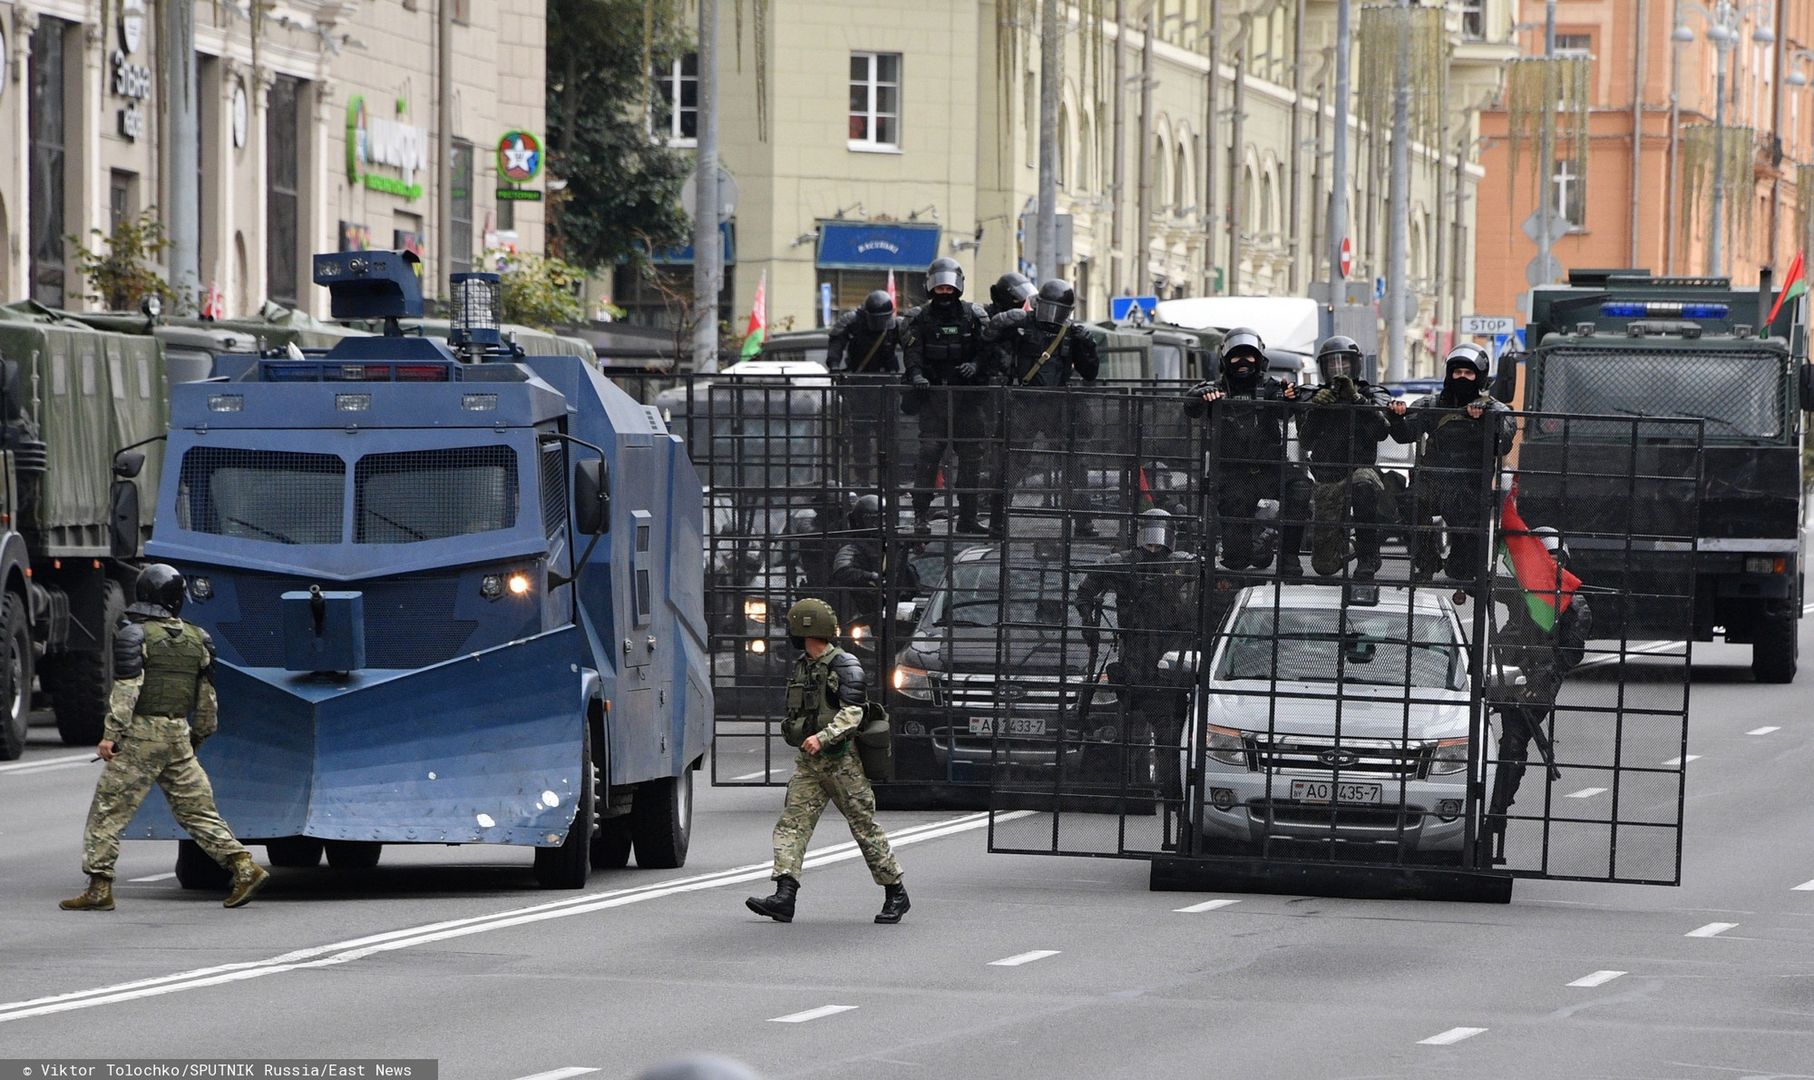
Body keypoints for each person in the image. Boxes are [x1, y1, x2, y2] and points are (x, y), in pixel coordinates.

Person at [61, 565, 269, 911]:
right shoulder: (198, 639)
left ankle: (99, 887)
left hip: (142, 736)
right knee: (198, 811)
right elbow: (206, 699)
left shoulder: (135, 635)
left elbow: (128, 689)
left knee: (108, 811)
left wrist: (111, 735)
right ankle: (243, 866)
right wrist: (197, 737)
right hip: (178, 735)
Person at [746, 598, 908, 924]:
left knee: (864, 828)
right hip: (810, 763)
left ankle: (896, 892)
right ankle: (785, 895)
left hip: (841, 762)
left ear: (806, 630)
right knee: (792, 824)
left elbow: (853, 712)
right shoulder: (804, 665)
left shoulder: (845, 665)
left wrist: (823, 737)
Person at [1075, 508, 1198, 796]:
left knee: (1168, 732)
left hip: (1168, 660)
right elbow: (1086, 590)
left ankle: (1171, 792)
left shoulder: (1179, 565)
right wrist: (1088, 621)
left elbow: (1204, 590)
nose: (1154, 547)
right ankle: (1126, 786)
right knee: (1127, 730)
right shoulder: (1124, 563)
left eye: (1159, 540)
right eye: (1149, 540)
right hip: (1134, 656)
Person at [1486, 528, 1592, 863]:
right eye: (1545, 559)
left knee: (1514, 742)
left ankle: (1498, 808)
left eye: (1556, 559)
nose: (1551, 565)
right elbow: (1491, 585)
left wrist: (1541, 679)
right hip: (1506, 669)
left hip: (1539, 683)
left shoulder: (1574, 603)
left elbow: (1571, 652)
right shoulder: (1524, 588)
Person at [1183, 327, 1312, 575]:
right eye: (1235, 357)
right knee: (1237, 561)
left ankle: (1288, 557)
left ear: (1260, 359)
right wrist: (1202, 395)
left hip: (1270, 468)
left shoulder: (1270, 387)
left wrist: (1290, 397)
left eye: (1249, 356)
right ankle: (1259, 543)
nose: (1242, 363)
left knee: (1299, 488)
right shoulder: (1217, 389)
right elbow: (1190, 406)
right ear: (1225, 360)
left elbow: (1290, 404)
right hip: (1234, 475)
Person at [983, 278, 1102, 536]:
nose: (1052, 315)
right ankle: (997, 521)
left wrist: (1088, 345)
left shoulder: (1070, 334)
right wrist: (1005, 319)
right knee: (1012, 461)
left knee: (1073, 463)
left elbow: (1090, 373)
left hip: (1055, 404)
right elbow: (988, 340)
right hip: (1024, 402)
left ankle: (1083, 522)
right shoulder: (1022, 325)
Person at [1388, 342, 1514, 582]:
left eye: (1469, 373)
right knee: (1410, 502)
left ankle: (1460, 565)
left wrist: (1482, 421)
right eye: (1457, 372)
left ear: (1480, 377)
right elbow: (1403, 434)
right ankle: (1426, 558)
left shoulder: (1494, 408)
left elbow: (1504, 443)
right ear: (1449, 374)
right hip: (1433, 481)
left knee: (1462, 572)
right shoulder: (1432, 404)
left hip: (1469, 488)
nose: (1462, 378)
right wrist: (1395, 418)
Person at [1297, 335, 1406, 579]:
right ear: (1323, 369)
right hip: (1327, 480)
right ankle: (1355, 547)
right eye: (1332, 365)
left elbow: (1381, 430)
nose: (1338, 370)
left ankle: (1368, 557)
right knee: (1324, 566)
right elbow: (1305, 441)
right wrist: (1316, 410)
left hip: (1362, 470)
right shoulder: (1316, 396)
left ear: (1355, 365)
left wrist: (1356, 399)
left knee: (1363, 483)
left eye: (1344, 364)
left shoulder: (1373, 392)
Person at [902, 258, 993, 535]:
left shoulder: (974, 316)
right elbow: (912, 351)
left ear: (958, 287)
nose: (944, 293)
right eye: (939, 288)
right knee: (929, 455)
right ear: (931, 288)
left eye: (948, 288)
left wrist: (976, 366)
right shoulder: (919, 318)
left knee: (971, 459)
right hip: (934, 398)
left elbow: (988, 350)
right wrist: (916, 375)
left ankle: (967, 518)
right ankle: (920, 517)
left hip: (967, 399)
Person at [827, 291, 906, 487]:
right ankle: (863, 479)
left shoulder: (895, 325)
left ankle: (887, 479)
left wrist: (913, 371)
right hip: (860, 387)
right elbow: (836, 343)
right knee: (860, 435)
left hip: (886, 387)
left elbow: (913, 348)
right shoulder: (853, 322)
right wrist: (834, 366)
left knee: (887, 436)